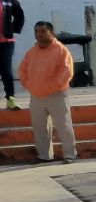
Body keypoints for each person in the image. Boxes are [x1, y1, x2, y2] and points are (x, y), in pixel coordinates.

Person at [18, 21, 77, 162]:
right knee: (40, 128)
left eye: (43, 31)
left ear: (52, 33)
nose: (39, 34)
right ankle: (44, 156)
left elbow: (66, 72)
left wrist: (49, 88)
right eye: (36, 31)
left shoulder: (61, 50)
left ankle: (70, 154)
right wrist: (30, 86)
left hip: (57, 94)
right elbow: (22, 71)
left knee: (63, 125)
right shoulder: (31, 53)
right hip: (36, 95)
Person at [0, 0, 24, 110]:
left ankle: (10, 98)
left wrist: (14, 28)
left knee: (6, 70)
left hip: (6, 41)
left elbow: (19, 13)